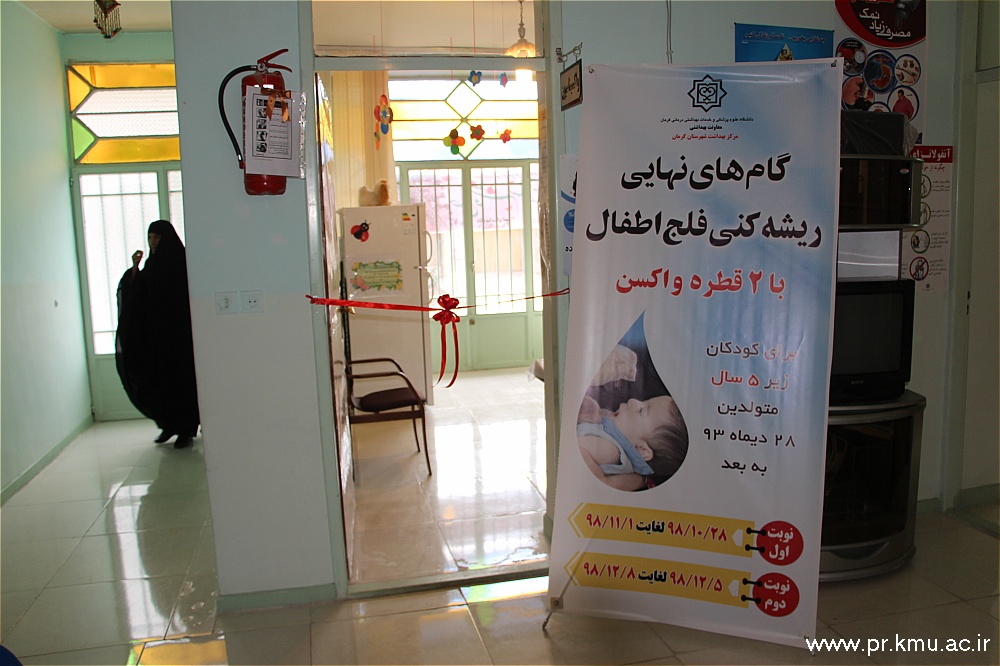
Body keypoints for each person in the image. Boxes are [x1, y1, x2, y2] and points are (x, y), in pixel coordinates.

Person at [116, 220, 200, 448]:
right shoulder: (151, 264)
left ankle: (185, 429)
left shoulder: (180, 263)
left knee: (181, 381)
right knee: (160, 382)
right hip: (156, 337)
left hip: (178, 337)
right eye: (150, 237)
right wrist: (135, 269)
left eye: (157, 238)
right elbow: (138, 292)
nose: (153, 242)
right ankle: (168, 425)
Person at [577, 393, 689, 491]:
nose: (632, 400)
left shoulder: (611, 450)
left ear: (641, 449)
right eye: (644, 401)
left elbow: (574, 448)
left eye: (641, 411)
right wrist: (595, 415)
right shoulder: (635, 477)